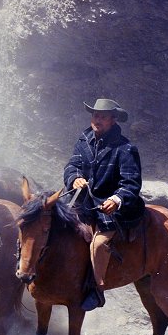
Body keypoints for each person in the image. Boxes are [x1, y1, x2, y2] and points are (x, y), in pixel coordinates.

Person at [64, 98, 145, 311]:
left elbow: (131, 183)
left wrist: (116, 200)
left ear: (112, 120)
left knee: (98, 245)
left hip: (109, 207)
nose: (97, 120)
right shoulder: (84, 139)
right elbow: (72, 165)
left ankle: (96, 290)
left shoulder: (126, 148)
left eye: (102, 116)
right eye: (95, 115)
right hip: (84, 202)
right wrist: (75, 178)